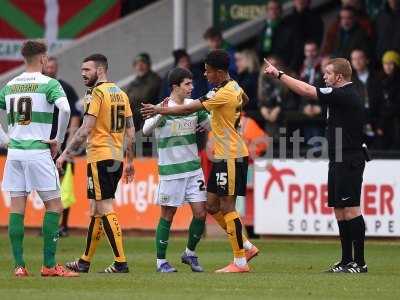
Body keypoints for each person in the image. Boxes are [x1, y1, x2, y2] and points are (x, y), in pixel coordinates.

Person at [141, 49, 259, 273]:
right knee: (212, 205)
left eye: (207, 71)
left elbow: (191, 107)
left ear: (220, 72)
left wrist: (159, 109)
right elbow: (245, 99)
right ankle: (245, 245)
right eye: (189, 82)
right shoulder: (233, 87)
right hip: (213, 158)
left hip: (231, 155)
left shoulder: (219, 94)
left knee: (225, 206)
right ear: (175, 86)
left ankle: (240, 261)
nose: (203, 76)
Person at [264, 57, 368, 273]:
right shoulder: (339, 97)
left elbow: (307, 91)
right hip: (338, 157)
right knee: (340, 210)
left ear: (339, 77)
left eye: (328, 73)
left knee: (351, 209)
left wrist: (280, 74)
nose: (324, 77)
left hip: (349, 158)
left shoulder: (345, 94)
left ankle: (360, 262)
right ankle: (346, 260)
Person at [0, 40, 77, 277]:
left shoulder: (10, 85)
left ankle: (19, 266)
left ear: (24, 59)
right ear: (43, 59)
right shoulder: (50, 84)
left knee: (17, 208)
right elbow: (65, 110)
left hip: (15, 153)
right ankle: (49, 265)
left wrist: (4, 139)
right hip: (38, 151)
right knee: (54, 205)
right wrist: (57, 139)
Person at [57, 54, 135, 273]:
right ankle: (85, 261)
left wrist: (65, 154)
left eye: (87, 70)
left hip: (100, 156)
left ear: (100, 70)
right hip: (116, 157)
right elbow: (131, 130)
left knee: (105, 207)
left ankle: (120, 262)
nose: (83, 74)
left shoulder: (96, 93)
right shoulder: (121, 93)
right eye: (82, 70)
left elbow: (85, 128)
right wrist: (130, 160)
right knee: (96, 209)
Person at [143, 68, 209, 273]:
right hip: (171, 172)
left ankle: (189, 253)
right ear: (175, 87)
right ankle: (160, 261)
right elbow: (145, 130)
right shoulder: (162, 107)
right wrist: (157, 116)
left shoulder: (194, 106)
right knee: (168, 215)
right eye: (187, 84)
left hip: (193, 170)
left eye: (192, 83)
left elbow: (211, 124)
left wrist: (206, 126)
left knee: (201, 213)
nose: (192, 87)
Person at [43, 56, 82, 237]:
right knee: (46, 186)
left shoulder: (65, 88)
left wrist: (70, 142)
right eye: (48, 67)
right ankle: (50, 225)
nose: (50, 70)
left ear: (56, 69)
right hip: (42, 144)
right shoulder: (39, 87)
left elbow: (74, 114)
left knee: (64, 186)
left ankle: (63, 225)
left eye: (53, 67)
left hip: (61, 146)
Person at [350, 49, 382, 146]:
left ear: (366, 60)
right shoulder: (349, 81)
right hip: (358, 124)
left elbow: (383, 102)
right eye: (354, 59)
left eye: (360, 58)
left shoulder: (377, 77)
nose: (357, 61)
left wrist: (382, 125)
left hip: (377, 122)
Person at [125, 53, 162, 132]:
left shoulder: (155, 81)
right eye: (137, 64)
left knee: (146, 144)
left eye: (143, 63)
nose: (140, 66)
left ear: (148, 65)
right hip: (134, 123)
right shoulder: (133, 84)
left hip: (149, 122)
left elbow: (144, 98)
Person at [375, 50, 400, 150]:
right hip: (384, 126)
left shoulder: (396, 82)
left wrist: (381, 123)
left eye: (391, 63)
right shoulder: (380, 81)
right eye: (385, 63)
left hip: (395, 125)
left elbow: (394, 106)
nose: (388, 66)